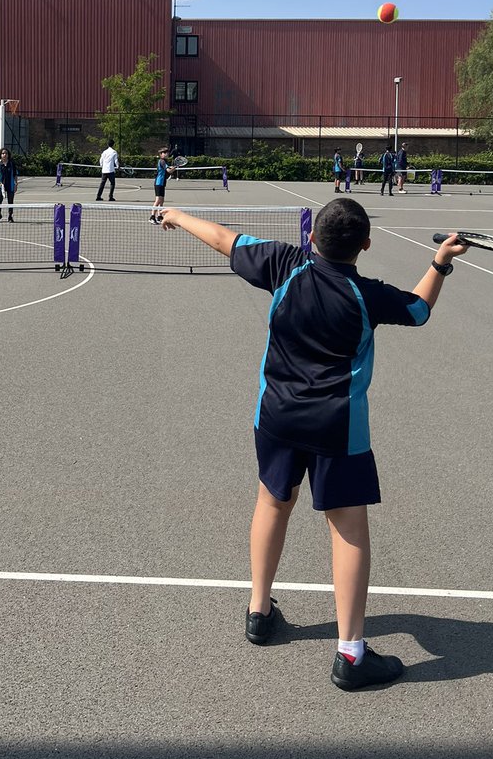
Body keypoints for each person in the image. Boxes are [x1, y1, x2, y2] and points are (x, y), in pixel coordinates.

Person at [157, 198, 467, 689]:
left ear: (311, 237)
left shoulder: (283, 265)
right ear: (366, 245)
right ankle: (350, 654)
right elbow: (418, 308)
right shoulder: (367, 294)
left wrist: (175, 215)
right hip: (336, 428)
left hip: (275, 417)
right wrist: (440, 263)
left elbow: (222, 238)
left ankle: (259, 612)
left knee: (272, 502)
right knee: (348, 528)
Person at [149, 148, 176, 223]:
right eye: (164, 152)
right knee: (158, 200)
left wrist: (173, 168)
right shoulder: (162, 161)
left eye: (167, 152)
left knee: (161, 201)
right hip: (158, 183)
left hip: (162, 183)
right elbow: (169, 170)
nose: (166, 154)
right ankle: (152, 217)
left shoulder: (165, 161)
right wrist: (174, 167)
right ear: (161, 154)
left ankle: (159, 216)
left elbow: (169, 171)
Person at [0, 147, 19, 222]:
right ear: (0, 155)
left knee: (10, 201)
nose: (4, 155)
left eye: (6, 153)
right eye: (3, 153)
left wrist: (16, 184)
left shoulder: (11, 164)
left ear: (8, 155)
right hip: (2, 186)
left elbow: (15, 175)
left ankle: (10, 216)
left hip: (10, 185)